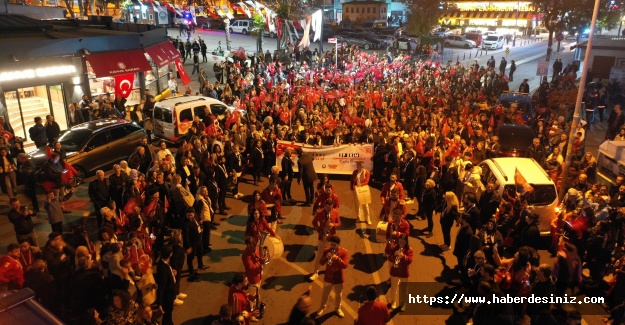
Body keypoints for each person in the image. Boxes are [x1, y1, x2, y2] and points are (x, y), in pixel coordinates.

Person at [315, 235, 349, 319]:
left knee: (339, 295)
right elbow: (321, 263)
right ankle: (322, 307)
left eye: (334, 245)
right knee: (325, 294)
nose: (333, 247)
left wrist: (338, 259)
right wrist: (326, 257)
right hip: (329, 276)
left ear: (338, 245)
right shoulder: (327, 251)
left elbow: (345, 265)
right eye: (331, 245)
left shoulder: (344, 252)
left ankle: (338, 308)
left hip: (338, 277)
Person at [309, 199, 341, 281]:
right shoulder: (319, 213)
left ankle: (329, 270)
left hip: (331, 238)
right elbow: (314, 222)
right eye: (327, 208)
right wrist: (319, 229)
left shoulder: (335, 212)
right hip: (322, 236)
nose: (329, 210)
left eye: (330, 209)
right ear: (324, 206)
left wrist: (333, 224)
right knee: (320, 254)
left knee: (332, 254)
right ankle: (315, 272)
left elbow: (339, 223)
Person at [387, 233, 413, 311]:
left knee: (404, 289)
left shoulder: (409, 250)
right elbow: (389, 258)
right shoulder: (394, 247)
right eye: (400, 240)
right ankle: (393, 301)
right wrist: (394, 255)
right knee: (393, 288)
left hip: (404, 273)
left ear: (406, 242)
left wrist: (403, 256)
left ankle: (403, 303)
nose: (402, 242)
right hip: (395, 271)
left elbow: (409, 261)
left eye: (403, 241)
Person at [242, 236, 263, 320]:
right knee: (251, 298)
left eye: (253, 244)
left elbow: (259, 257)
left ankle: (254, 310)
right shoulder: (246, 255)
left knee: (256, 294)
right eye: (250, 245)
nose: (252, 246)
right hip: (252, 278)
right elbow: (251, 267)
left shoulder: (256, 248)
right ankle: (251, 314)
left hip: (258, 275)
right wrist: (260, 262)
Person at [182, 207, 206, 281]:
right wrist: (188, 247)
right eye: (188, 215)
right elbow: (185, 237)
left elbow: (198, 219)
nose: (190, 217)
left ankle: (200, 265)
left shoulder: (195, 216)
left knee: (200, 252)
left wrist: (200, 224)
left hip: (198, 240)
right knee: (190, 258)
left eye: (191, 215)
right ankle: (191, 271)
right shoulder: (185, 224)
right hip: (192, 243)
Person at [156, 245, 177, 325]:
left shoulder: (161, 263)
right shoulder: (164, 269)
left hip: (168, 296)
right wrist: (159, 304)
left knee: (169, 315)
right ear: (170, 254)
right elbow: (161, 287)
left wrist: (172, 273)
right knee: (167, 315)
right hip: (167, 297)